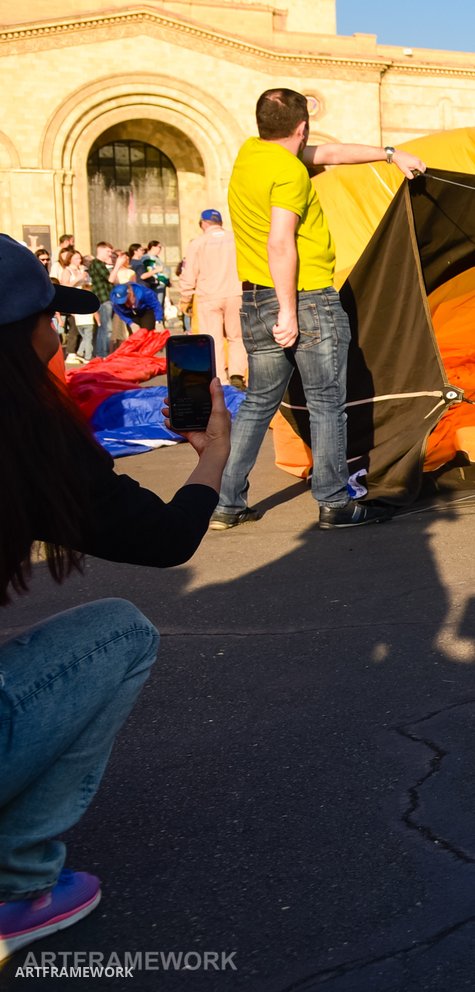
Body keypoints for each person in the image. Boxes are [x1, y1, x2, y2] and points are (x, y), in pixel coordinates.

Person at [0, 232, 230, 957]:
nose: (58, 332)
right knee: (122, 632)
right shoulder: (25, 436)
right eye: (48, 317)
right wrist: (214, 455)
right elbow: (165, 539)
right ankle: (16, 887)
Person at [213, 88, 426, 532]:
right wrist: (288, 312)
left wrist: (390, 154)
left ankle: (227, 504)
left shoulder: (250, 155)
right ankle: (334, 502)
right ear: (302, 127)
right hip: (304, 299)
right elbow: (280, 243)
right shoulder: (289, 172)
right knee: (327, 404)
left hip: (253, 299)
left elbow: (329, 153)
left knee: (257, 403)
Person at [177, 210, 243, 387]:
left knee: (213, 340)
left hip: (209, 296)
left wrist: (185, 298)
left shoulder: (197, 243)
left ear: (203, 223)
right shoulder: (236, 238)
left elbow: (189, 273)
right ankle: (237, 374)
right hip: (236, 293)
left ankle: (220, 379)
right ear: (220, 223)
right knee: (236, 337)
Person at [83, 244, 115, 359]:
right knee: (106, 328)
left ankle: (101, 353)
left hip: (104, 297)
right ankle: (102, 354)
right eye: (108, 251)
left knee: (103, 328)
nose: (109, 254)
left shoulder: (97, 264)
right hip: (103, 298)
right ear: (99, 250)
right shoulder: (97, 263)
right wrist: (118, 265)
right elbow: (111, 279)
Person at [109, 269, 163, 334]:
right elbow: (120, 313)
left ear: (129, 293)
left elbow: (156, 304)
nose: (123, 302)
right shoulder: (115, 300)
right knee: (135, 335)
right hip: (130, 314)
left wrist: (158, 321)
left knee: (146, 331)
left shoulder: (143, 292)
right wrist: (131, 323)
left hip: (146, 310)